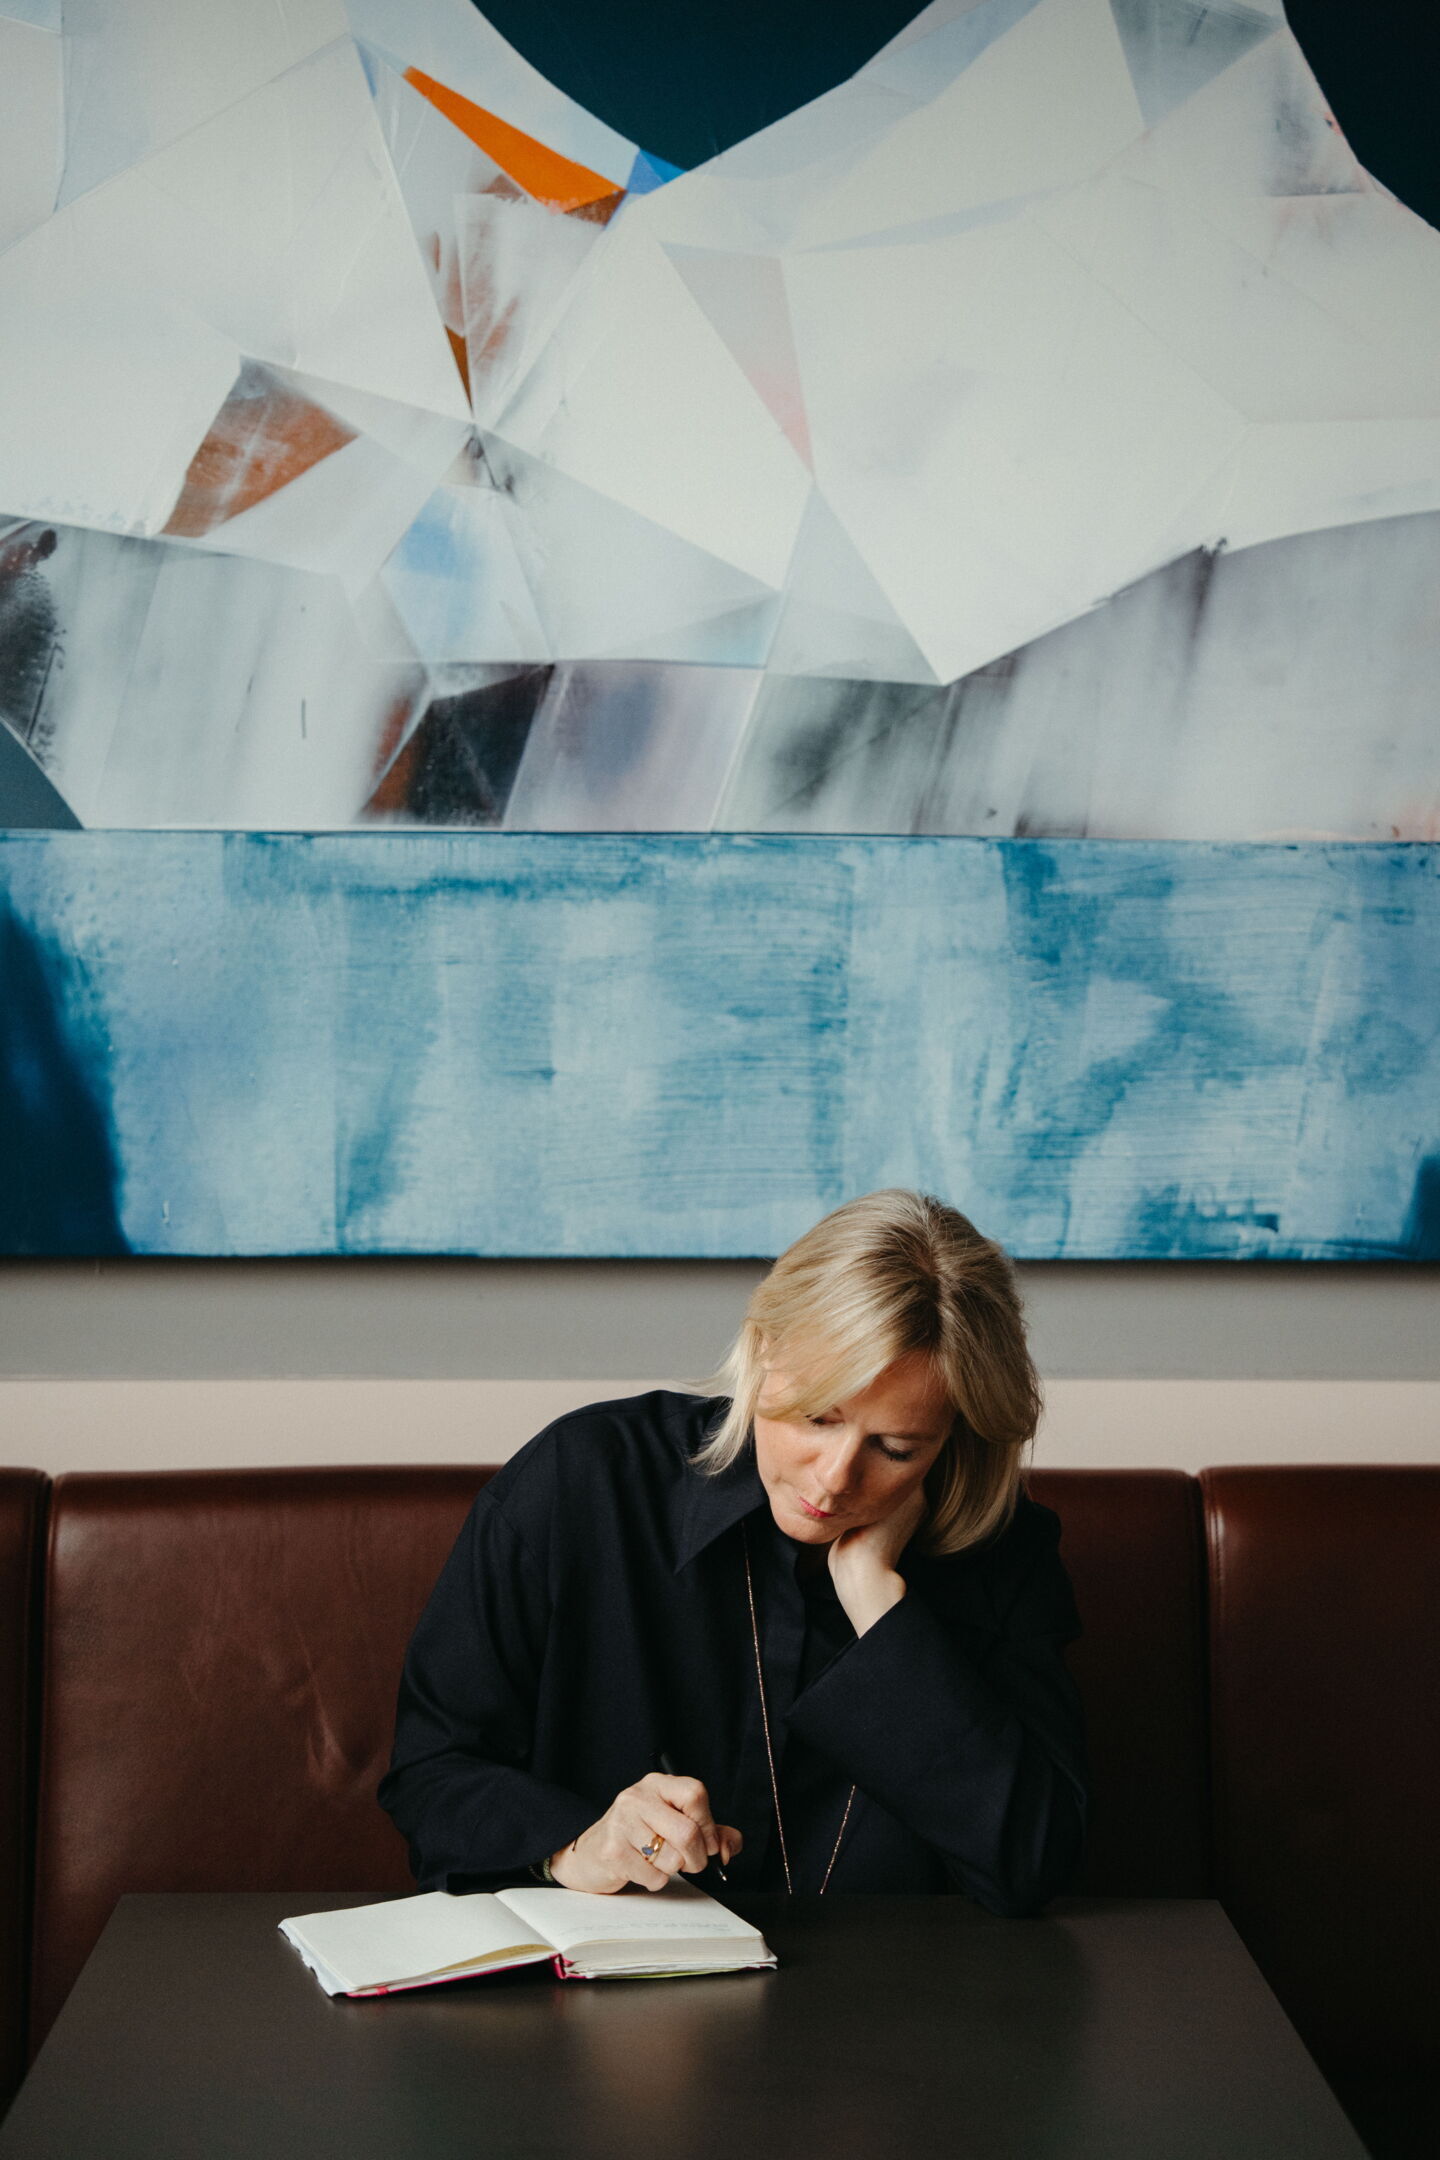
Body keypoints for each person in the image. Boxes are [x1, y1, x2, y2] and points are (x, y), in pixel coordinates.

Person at [379, 1190, 1087, 1912]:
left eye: (896, 1448)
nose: (836, 1478)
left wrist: (879, 1603)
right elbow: (433, 1773)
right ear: (762, 1348)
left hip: (896, 2009)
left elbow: (1035, 1865)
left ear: (952, 1438)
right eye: (818, 1416)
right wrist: (576, 1845)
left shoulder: (1005, 1553)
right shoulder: (583, 1482)